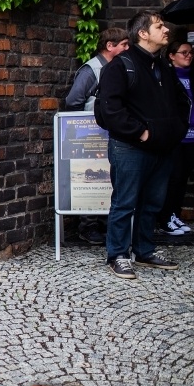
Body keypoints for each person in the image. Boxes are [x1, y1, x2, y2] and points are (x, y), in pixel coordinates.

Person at [97, 10, 189, 280]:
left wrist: (175, 132)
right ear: (143, 33)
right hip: (131, 148)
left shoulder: (163, 66)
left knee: (152, 203)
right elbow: (109, 109)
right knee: (125, 203)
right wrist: (141, 133)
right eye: (159, 26)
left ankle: (144, 250)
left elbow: (182, 103)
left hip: (164, 148)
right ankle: (117, 255)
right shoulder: (120, 65)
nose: (166, 31)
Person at [65, 27, 129, 246]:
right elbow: (73, 100)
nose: (128, 49)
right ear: (110, 46)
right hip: (90, 134)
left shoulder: (117, 68)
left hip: (109, 134)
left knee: (107, 179)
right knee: (89, 177)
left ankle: (103, 223)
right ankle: (88, 226)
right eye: (124, 44)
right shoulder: (91, 69)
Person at [157, 40, 194, 235]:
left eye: (191, 52)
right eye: (184, 52)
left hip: (193, 136)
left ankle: (175, 215)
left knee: (183, 179)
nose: (188, 55)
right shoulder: (169, 77)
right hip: (178, 136)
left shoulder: (191, 75)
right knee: (174, 178)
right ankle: (166, 217)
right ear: (172, 55)